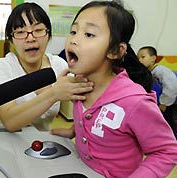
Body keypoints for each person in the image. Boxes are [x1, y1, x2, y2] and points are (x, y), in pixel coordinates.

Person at [50, 1, 177, 177]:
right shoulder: (79, 84)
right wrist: (73, 131)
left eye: (88, 34)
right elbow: (91, 118)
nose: (74, 39)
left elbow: (167, 151)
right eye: (73, 31)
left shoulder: (134, 101)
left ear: (115, 51)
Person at [0, 2, 94, 131]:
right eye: (20, 32)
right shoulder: (3, 67)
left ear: (48, 34)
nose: (30, 38)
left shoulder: (59, 65)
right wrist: (53, 93)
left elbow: (86, 105)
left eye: (38, 30)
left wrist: (75, 128)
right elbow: (10, 122)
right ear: (11, 40)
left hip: (43, 143)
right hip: (8, 141)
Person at [137, 46, 177, 138]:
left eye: (143, 57)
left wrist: (164, 103)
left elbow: (172, 85)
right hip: (159, 105)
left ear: (153, 58)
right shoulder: (148, 73)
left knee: (171, 127)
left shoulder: (160, 70)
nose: (140, 60)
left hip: (168, 106)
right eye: (138, 57)